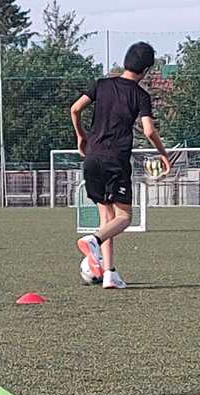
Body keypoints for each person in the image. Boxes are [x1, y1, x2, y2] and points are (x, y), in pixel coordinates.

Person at [70, 42, 171, 289]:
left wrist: (81, 136)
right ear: (146, 70)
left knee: (107, 218)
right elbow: (149, 130)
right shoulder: (140, 96)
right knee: (124, 216)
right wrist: (164, 154)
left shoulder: (101, 85)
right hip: (115, 159)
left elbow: (75, 109)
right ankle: (93, 241)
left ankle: (109, 273)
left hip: (92, 157)